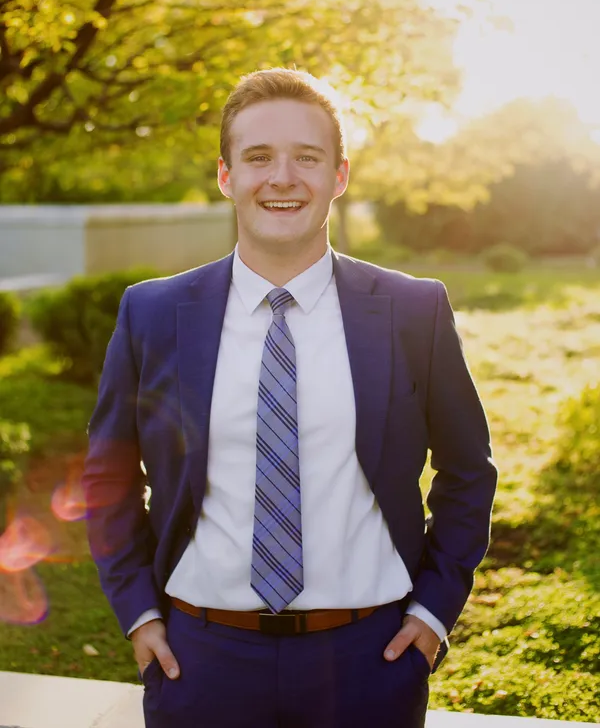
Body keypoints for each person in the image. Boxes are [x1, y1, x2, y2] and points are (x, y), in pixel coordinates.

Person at [83, 68, 497, 728]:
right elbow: (106, 475)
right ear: (226, 176)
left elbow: (468, 471)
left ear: (339, 176)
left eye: (307, 157)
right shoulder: (154, 313)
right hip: (198, 661)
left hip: (370, 661)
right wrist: (138, 613)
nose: (282, 178)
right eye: (258, 158)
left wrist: (433, 611)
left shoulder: (413, 310)